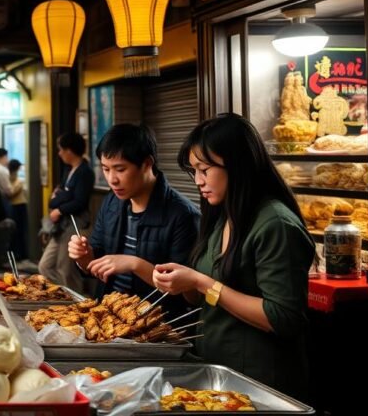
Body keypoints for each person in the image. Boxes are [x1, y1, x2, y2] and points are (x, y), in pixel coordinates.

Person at [152, 114, 315, 399]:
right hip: (219, 374)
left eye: (204, 170)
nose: (198, 181)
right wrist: (184, 282)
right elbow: (202, 298)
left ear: (237, 164)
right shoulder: (223, 215)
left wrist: (202, 282)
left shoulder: (276, 224)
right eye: (194, 172)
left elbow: (283, 317)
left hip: (262, 382)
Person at [67, 124, 199, 312]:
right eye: (106, 169)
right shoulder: (111, 203)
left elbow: (188, 292)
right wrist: (84, 258)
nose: (112, 179)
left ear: (147, 164)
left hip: (156, 321)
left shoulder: (183, 215)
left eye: (120, 169)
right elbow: (96, 265)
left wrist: (135, 264)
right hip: (108, 315)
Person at [39, 133, 95, 291]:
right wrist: (66, 195)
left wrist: (60, 207)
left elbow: (79, 201)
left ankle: (75, 300)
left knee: (66, 269)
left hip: (74, 223)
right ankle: (62, 294)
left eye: (61, 150)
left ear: (69, 150)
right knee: (45, 266)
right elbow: (58, 196)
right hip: (61, 226)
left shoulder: (85, 172)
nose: (59, 153)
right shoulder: (68, 169)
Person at [7, 159, 29, 261]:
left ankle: (19, 254)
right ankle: (19, 254)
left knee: (18, 231)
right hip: (19, 206)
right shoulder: (17, 180)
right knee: (19, 231)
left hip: (16, 206)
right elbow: (11, 192)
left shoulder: (14, 180)